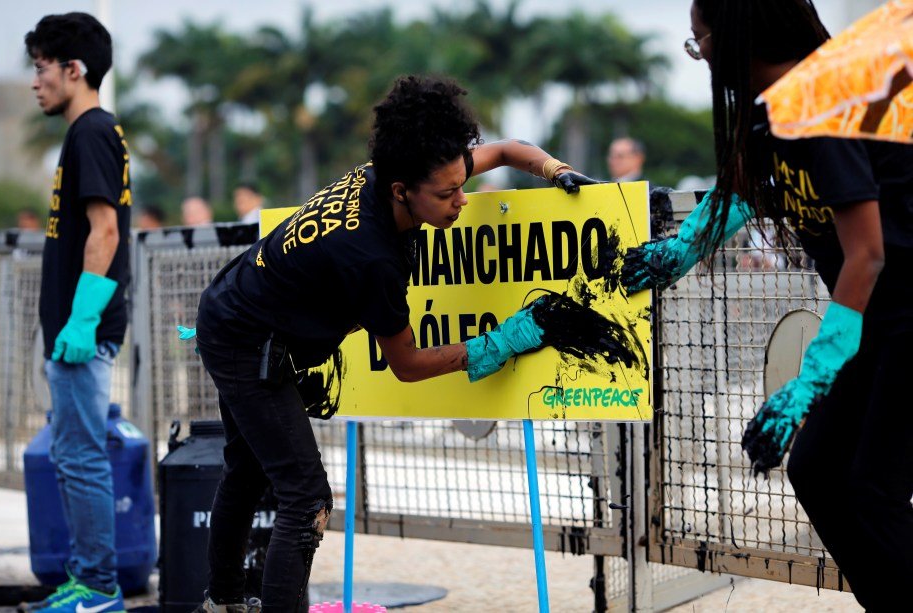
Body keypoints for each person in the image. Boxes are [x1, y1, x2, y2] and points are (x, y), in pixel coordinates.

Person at [192, 75, 599, 612]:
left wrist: (557, 171)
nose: (461, 202)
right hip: (244, 337)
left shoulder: (408, 169)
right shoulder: (372, 255)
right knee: (305, 497)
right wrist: (494, 344)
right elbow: (405, 363)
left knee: (246, 470)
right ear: (401, 191)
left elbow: (502, 150)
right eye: (448, 194)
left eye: (462, 185)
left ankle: (220, 604)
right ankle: (224, 601)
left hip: (237, 302)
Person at [620, 1, 912, 609]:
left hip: (901, 314)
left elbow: (868, 255)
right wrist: (676, 253)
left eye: (699, 44)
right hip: (871, 322)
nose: (701, 58)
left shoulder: (823, 101)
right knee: (817, 472)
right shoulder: (768, 117)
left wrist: (807, 383)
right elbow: (742, 191)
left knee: (872, 491)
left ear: (732, 40)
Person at [24, 11, 131, 613]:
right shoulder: (94, 131)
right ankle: (86, 578)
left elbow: (106, 231)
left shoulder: (90, 130)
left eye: (42, 69)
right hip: (75, 331)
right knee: (71, 455)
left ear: (74, 69)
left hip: (80, 334)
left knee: (83, 457)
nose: (36, 81)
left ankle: (97, 587)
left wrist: (83, 319)